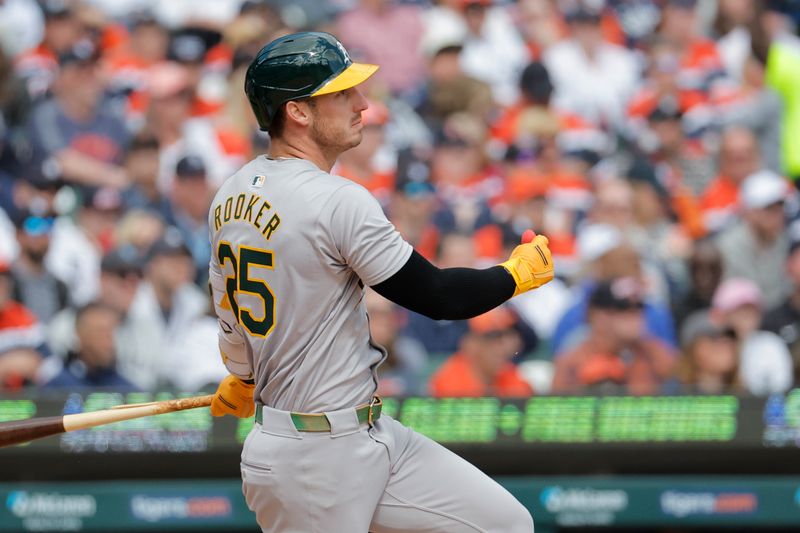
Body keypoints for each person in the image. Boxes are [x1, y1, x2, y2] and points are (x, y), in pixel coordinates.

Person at [207, 32, 553, 533]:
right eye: (342, 93)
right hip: (314, 458)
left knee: (506, 524)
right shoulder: (336, 199)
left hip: (364, 436)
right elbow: (436, 296)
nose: (362, 103)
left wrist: (243, 375)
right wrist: (513, 276)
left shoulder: (230, 193)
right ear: (298, 112)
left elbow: (232, 321)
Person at [551, 277, 676, 395]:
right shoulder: (574, 357)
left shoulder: (650, 350)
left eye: (638, 307)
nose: (633, 315)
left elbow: (678, 375)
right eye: (622, 308)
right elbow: (560, 405)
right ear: (597, 315)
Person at [429, 306, 533, 397]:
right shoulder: (450, 381)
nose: (504, 347)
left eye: (508, 336)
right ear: (470, 343)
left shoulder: (509, 375)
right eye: (493, 337)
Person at [43, 301, 136, 390]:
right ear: (80, 334)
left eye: (112, 332)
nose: (109, 342)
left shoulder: (125, 390)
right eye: (101, 333)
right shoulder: (57, 383)